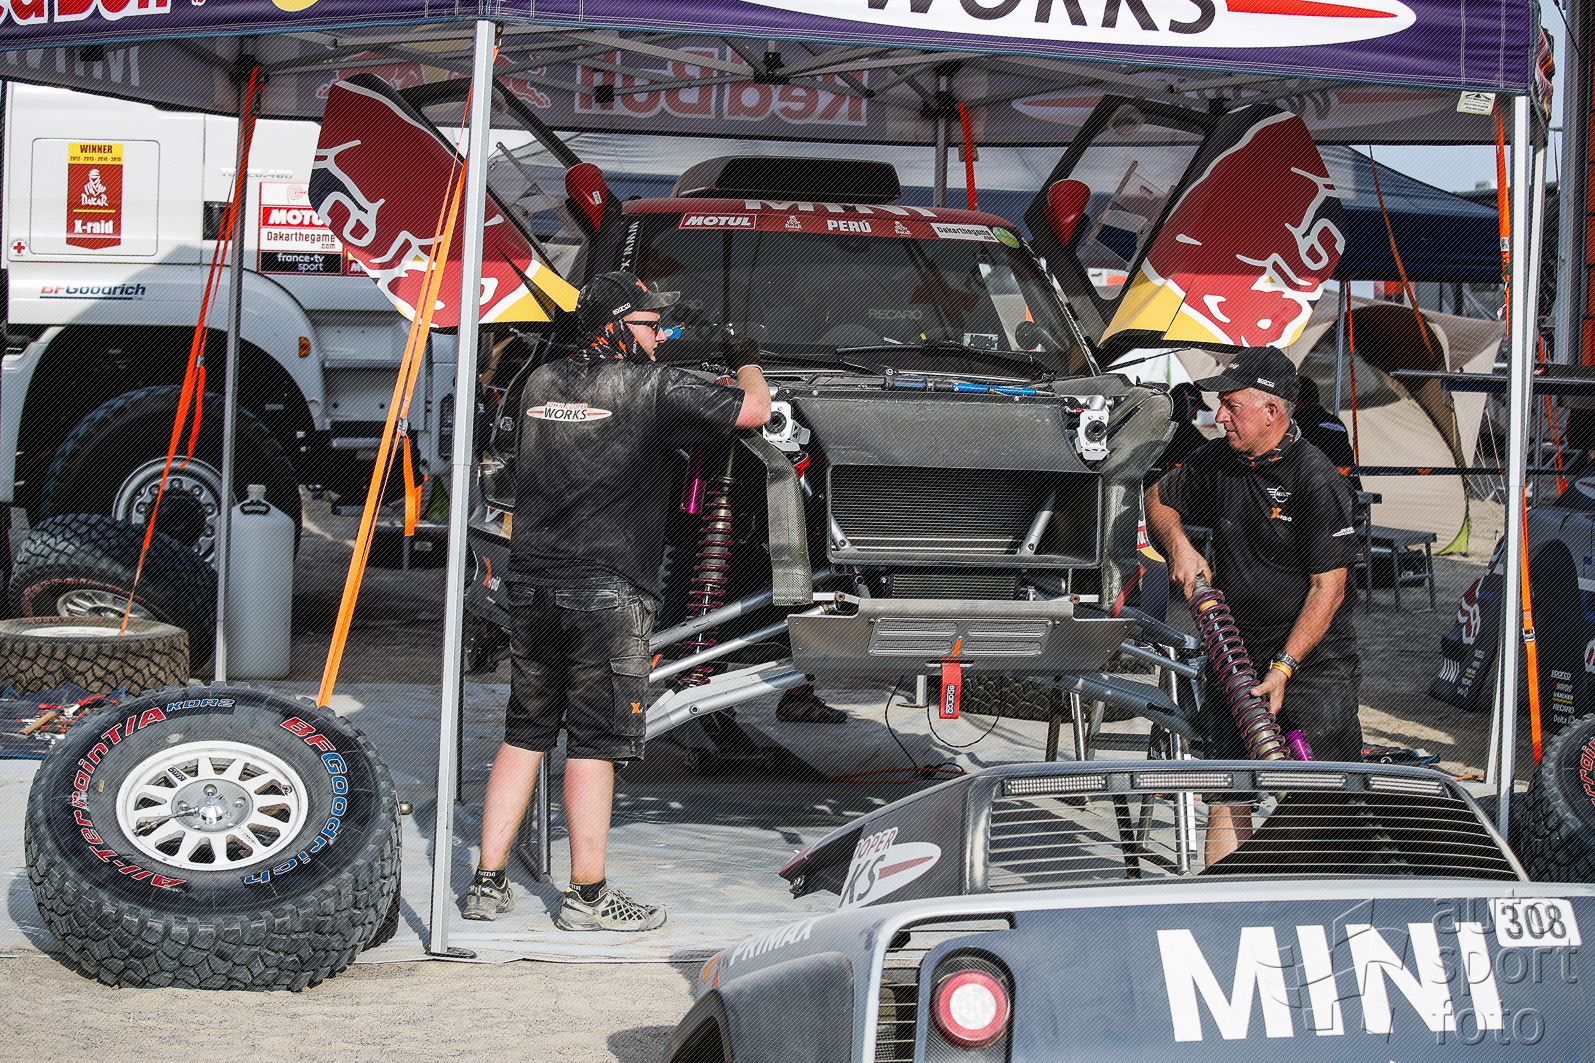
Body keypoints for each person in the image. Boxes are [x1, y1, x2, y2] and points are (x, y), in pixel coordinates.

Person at [462, 271, 771, 930]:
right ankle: (587, 895)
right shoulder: (652, 387)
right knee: (593, 745)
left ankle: (486, 883)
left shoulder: (540, 382)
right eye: (650, 325)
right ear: (615, 326)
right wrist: (746, 358)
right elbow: (754, 411)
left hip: (532, 584)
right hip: (608, 595)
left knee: (524, 732)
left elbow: (512, 463)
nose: (661, 336)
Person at [1143, 346, 1362, 862]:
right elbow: (1159, 498)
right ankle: (1225, 897)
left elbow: (1327, 590)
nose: (1219, 416)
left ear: (1272, 410)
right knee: (1228, 791)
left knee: (1318, 803)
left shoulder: (1315, 479)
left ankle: (1311, 897)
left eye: (1231, 405)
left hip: (1311, 666)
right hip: (1234, 653)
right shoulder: (1222, 458)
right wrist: (1180, 547)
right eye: (1220, 404)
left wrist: (1284, 668)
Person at [1293, 376, 1360, 492]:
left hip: (1316, 489)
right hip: (1349, 486)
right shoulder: (1336, 422)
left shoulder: (1297, 422)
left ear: (1297, 400)